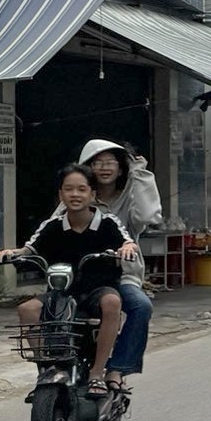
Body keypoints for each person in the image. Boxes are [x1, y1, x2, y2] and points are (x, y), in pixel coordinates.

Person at [0, 163, 126, 398]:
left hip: (97, 290)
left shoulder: (108, 223)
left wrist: (128, 248)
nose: (75, 195)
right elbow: (29, 248)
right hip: (61, 293)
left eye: (81, 189)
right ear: (61, 194)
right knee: (27, 310)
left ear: (92, 194)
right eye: (69, 189)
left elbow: (126, 241)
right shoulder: (52, 226)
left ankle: (97, 373)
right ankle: (48, 369)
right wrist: (11, 253)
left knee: (112, 303)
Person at [52, 138, 157, 387]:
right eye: (97, 162)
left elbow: (147, 215)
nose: (104, 167)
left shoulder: (130, 197)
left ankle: (116, 369)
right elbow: (50, 229)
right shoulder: (78, 196)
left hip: (119, 277)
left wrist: (139, 173)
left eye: (111, 162)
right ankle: (56, 367)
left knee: (141, 307)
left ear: (122, 168)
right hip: (78, 276)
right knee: (45, 311)